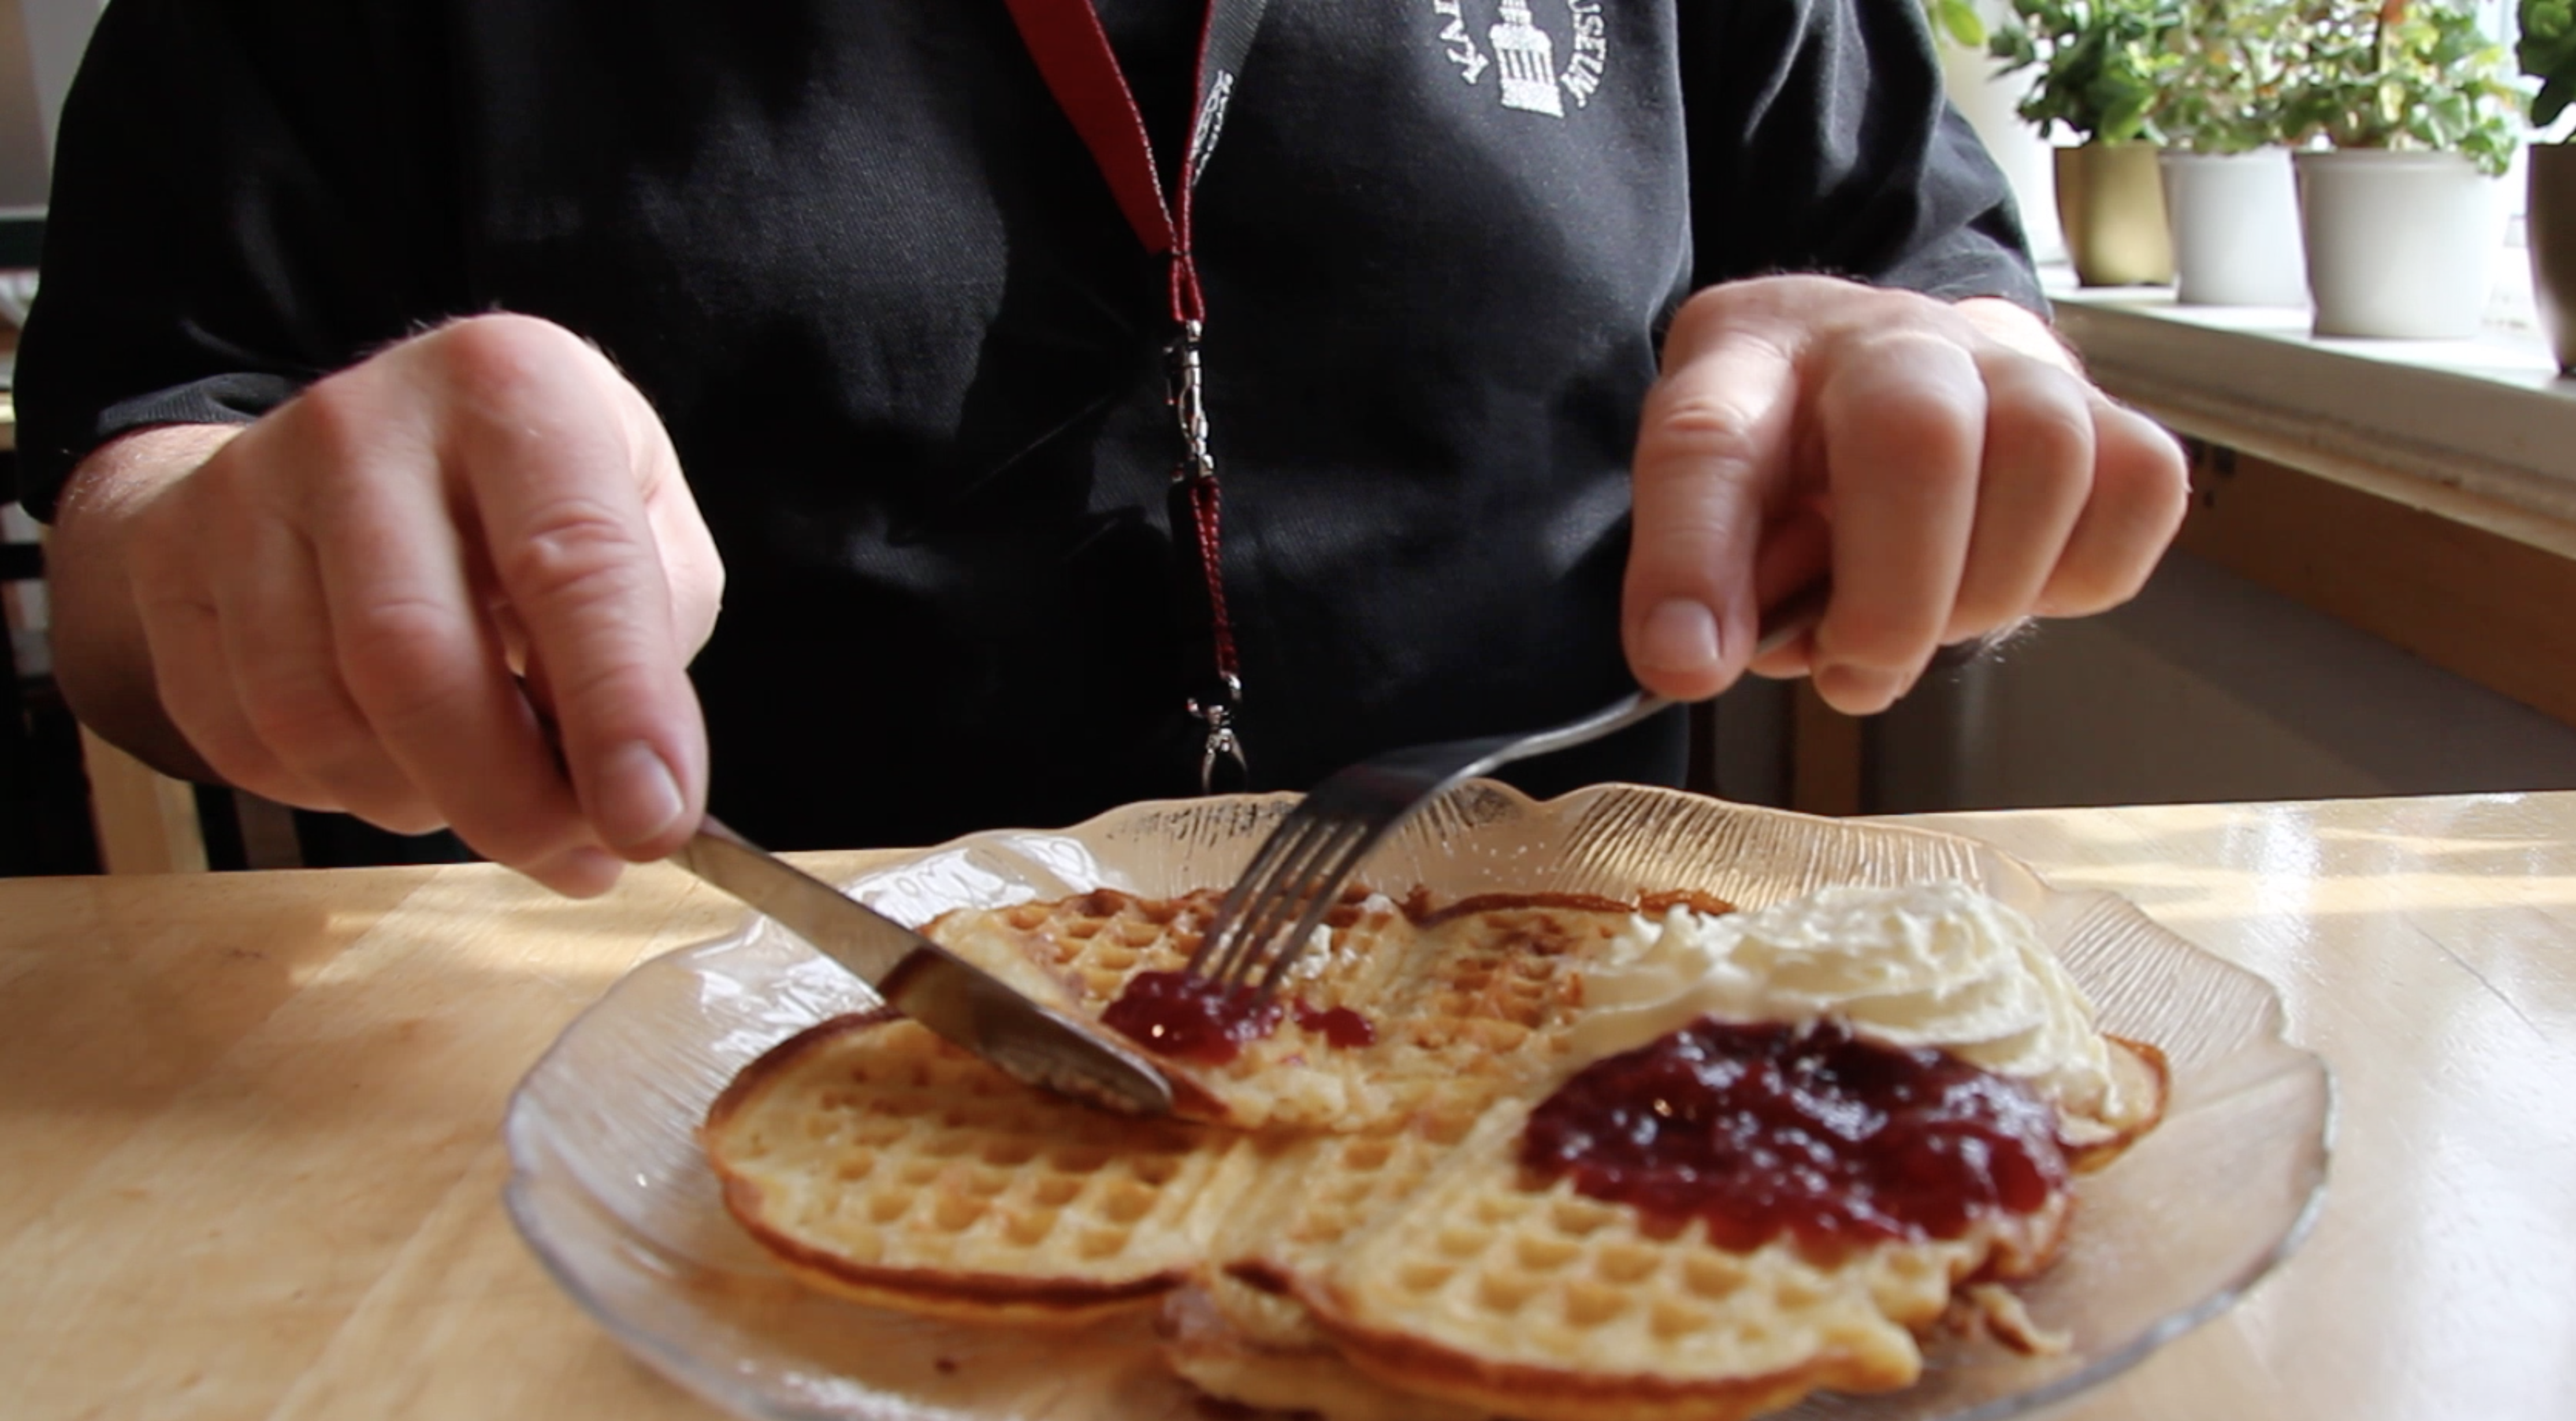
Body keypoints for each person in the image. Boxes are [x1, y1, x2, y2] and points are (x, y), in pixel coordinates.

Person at [17, 0, 2185, 897]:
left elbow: (1913, 254)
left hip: (1559, 1033)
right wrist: (240, 557)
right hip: (673, 1037)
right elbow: (134, 488)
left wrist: (1949, 378)